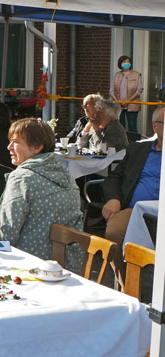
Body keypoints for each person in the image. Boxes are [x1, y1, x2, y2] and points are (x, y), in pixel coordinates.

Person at [0, 118, 84, 269]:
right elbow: (42, 219)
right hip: (67, 268)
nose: (9, 147)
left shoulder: (22, 178)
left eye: (16, 142)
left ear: (36, 147)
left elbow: (5, 236)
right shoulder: (65, 175)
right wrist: (2, 220)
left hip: (28, 266)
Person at [102, 106, 164, 284]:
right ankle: (128, 285)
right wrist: (114, 199)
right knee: (114, 232)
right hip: (135, 210)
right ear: (155, 127)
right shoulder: (138, 150)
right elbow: (114, 177)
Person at [110, 55, 143, 132]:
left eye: (128, 62)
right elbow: (111, 90)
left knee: (132, 127)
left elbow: (139, 90)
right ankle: (122, 143)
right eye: (124, 62)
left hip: (133, 105)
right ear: (120, 64)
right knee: (120, 127)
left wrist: (128, 101)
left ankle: (133, 143)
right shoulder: (117, 75)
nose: (126, 63)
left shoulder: (137, 75)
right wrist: (118, 101)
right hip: (119, 105)